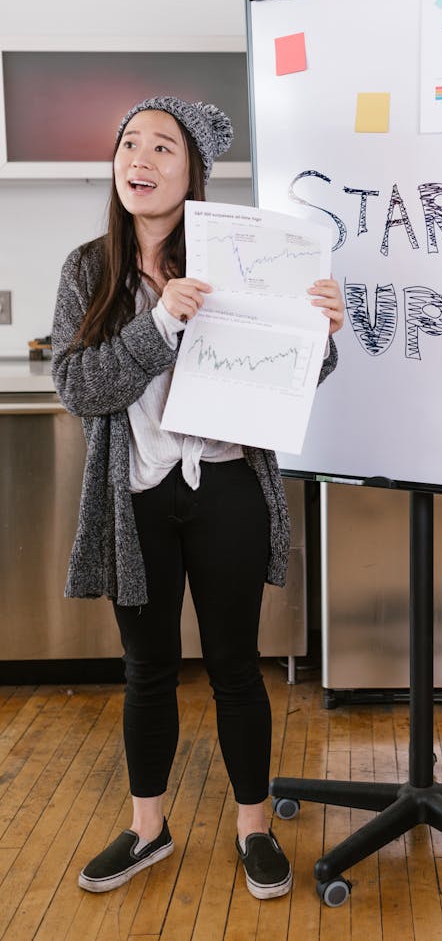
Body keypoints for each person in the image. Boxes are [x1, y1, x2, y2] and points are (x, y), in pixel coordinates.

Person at [51, 95, 343, 899]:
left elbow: (293, 373)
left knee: (235, 668)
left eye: (162, 148)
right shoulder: (87, 269)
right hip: (137, 496)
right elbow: (77, 388)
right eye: (129, 144)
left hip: (228, 490)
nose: (139, 160)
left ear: (193, 174)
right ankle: (148, 828)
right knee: (147, 670)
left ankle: (254, 829)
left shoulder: (241, 256)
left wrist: (322, 333)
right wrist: (158, 325)